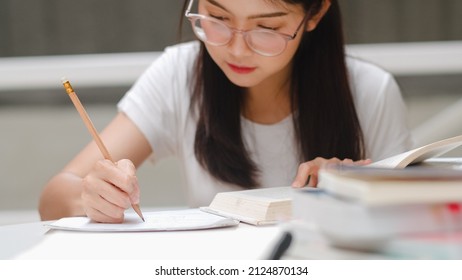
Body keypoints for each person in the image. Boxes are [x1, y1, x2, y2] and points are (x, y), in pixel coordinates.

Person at [39, 0, 413, 223]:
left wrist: (357, 190)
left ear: (314, 14)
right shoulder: (179, 75)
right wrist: (91, 197)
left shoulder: (370, 92)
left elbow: (413, 225)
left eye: (266, 27)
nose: (235, 49)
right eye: (216, 19)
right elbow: (55, 196)